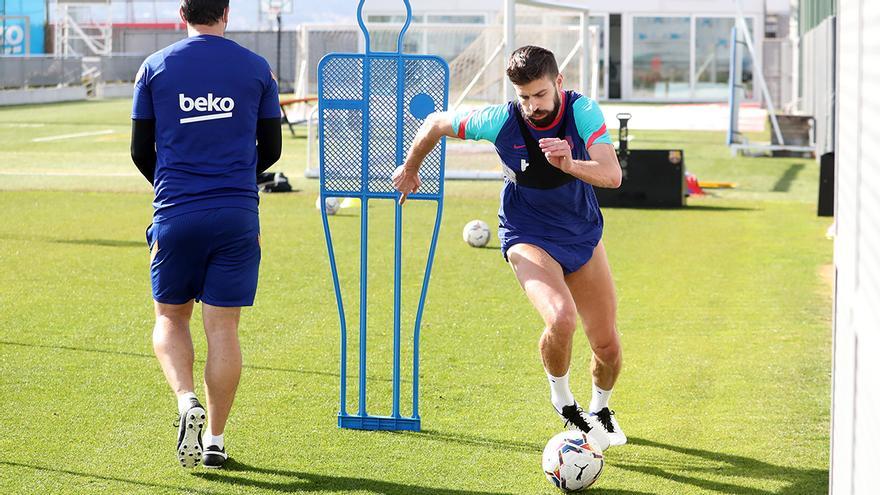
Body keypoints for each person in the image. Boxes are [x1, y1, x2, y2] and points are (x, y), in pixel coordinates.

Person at [393, 45, 626, 447]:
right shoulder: (500, 119)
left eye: (539, 94)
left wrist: (570, 164)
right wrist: (411, 167)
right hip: (526, 233)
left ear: (558, 82)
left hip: (581, 233)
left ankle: (600, 410)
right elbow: (434, 123)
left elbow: (611, 174)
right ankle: (564, 401)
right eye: (524, 97)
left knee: (606, 344)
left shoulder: (582, 111)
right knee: (560, 318)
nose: (532, 105)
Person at [130, 0, 282, 469]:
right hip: (237, 215)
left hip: (177, 210)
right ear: (227, 12)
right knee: (224, 328)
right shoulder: (256, 67)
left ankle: (185, 401)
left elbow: (140, 150)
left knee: (171, 317)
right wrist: (235, 183)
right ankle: (214, 441)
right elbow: (272, 148)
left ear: (182, 13)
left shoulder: (155, 66)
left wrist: (175, 187)